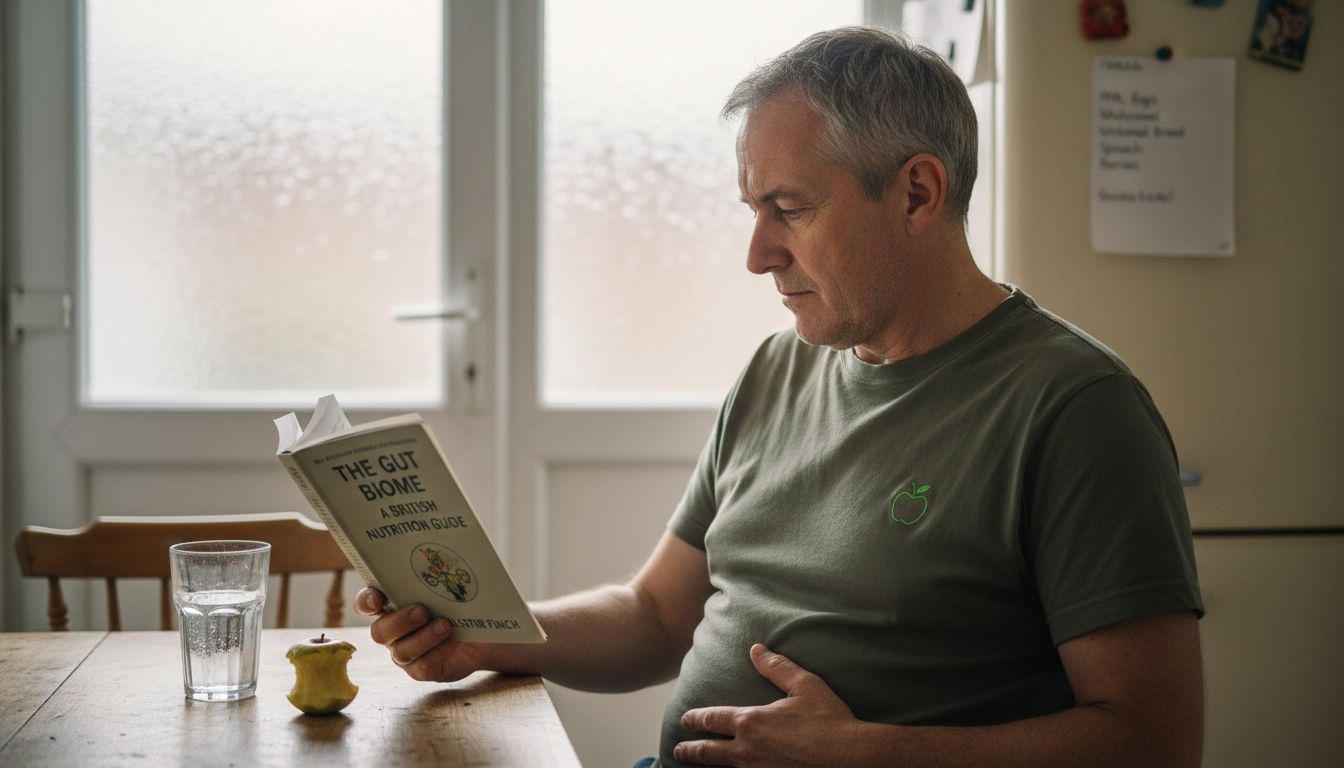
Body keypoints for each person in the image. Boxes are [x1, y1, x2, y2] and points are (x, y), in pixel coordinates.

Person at [356, 27, 1205, 767]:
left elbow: (1153, 744)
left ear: (918, 192)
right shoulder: (778, 369)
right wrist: (490, 635)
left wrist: (873, 756)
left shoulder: (1077, 407)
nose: (758, 253)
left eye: (789, 209)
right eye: (752, 210)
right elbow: (656, 614)